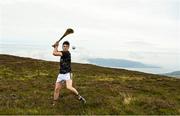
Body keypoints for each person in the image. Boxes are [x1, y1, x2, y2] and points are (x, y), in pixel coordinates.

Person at [52, 41, 86, 106]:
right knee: (56, 89)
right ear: (62, 47)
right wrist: (56, 46)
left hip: (67, 74)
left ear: (68, 47)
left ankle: (79, 97)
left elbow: (54, 53)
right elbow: (57, 52)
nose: (65, 47)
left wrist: (56, 46)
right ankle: (55, 104)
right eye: (63, 46)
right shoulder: (62, 52)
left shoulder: (66, 53)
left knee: (69, 87)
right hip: (61, 74)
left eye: (66, 46)